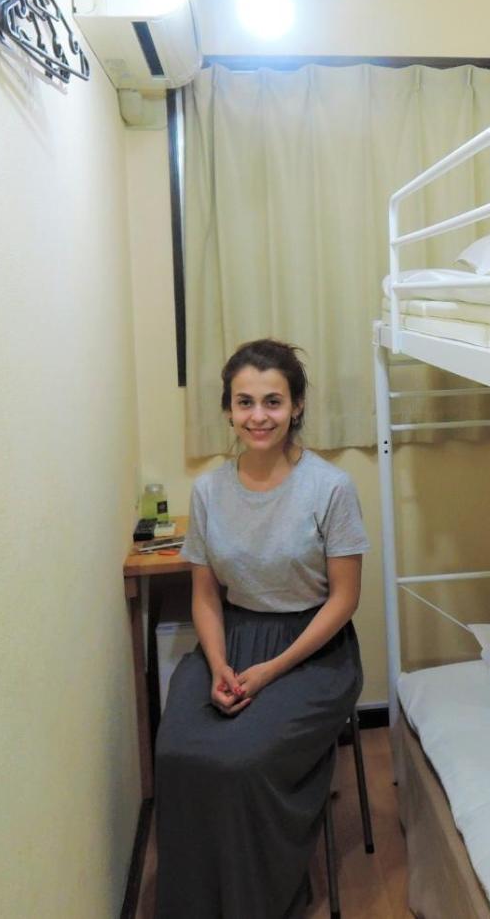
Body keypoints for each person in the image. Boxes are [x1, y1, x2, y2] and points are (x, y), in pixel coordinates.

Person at [154, 339, 367, 919]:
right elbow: (205, 594)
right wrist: (218, 664)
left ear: (296, 407)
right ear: (228, 409)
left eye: (273, 402)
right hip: (231, 640)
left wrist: (270, 671)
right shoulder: (208, 491)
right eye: (245, 402)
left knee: (242, 761)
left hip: (313, 651)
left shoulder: (330, 488)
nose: (258, 416)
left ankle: (260, 900)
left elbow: (344, 600)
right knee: (177, 752)